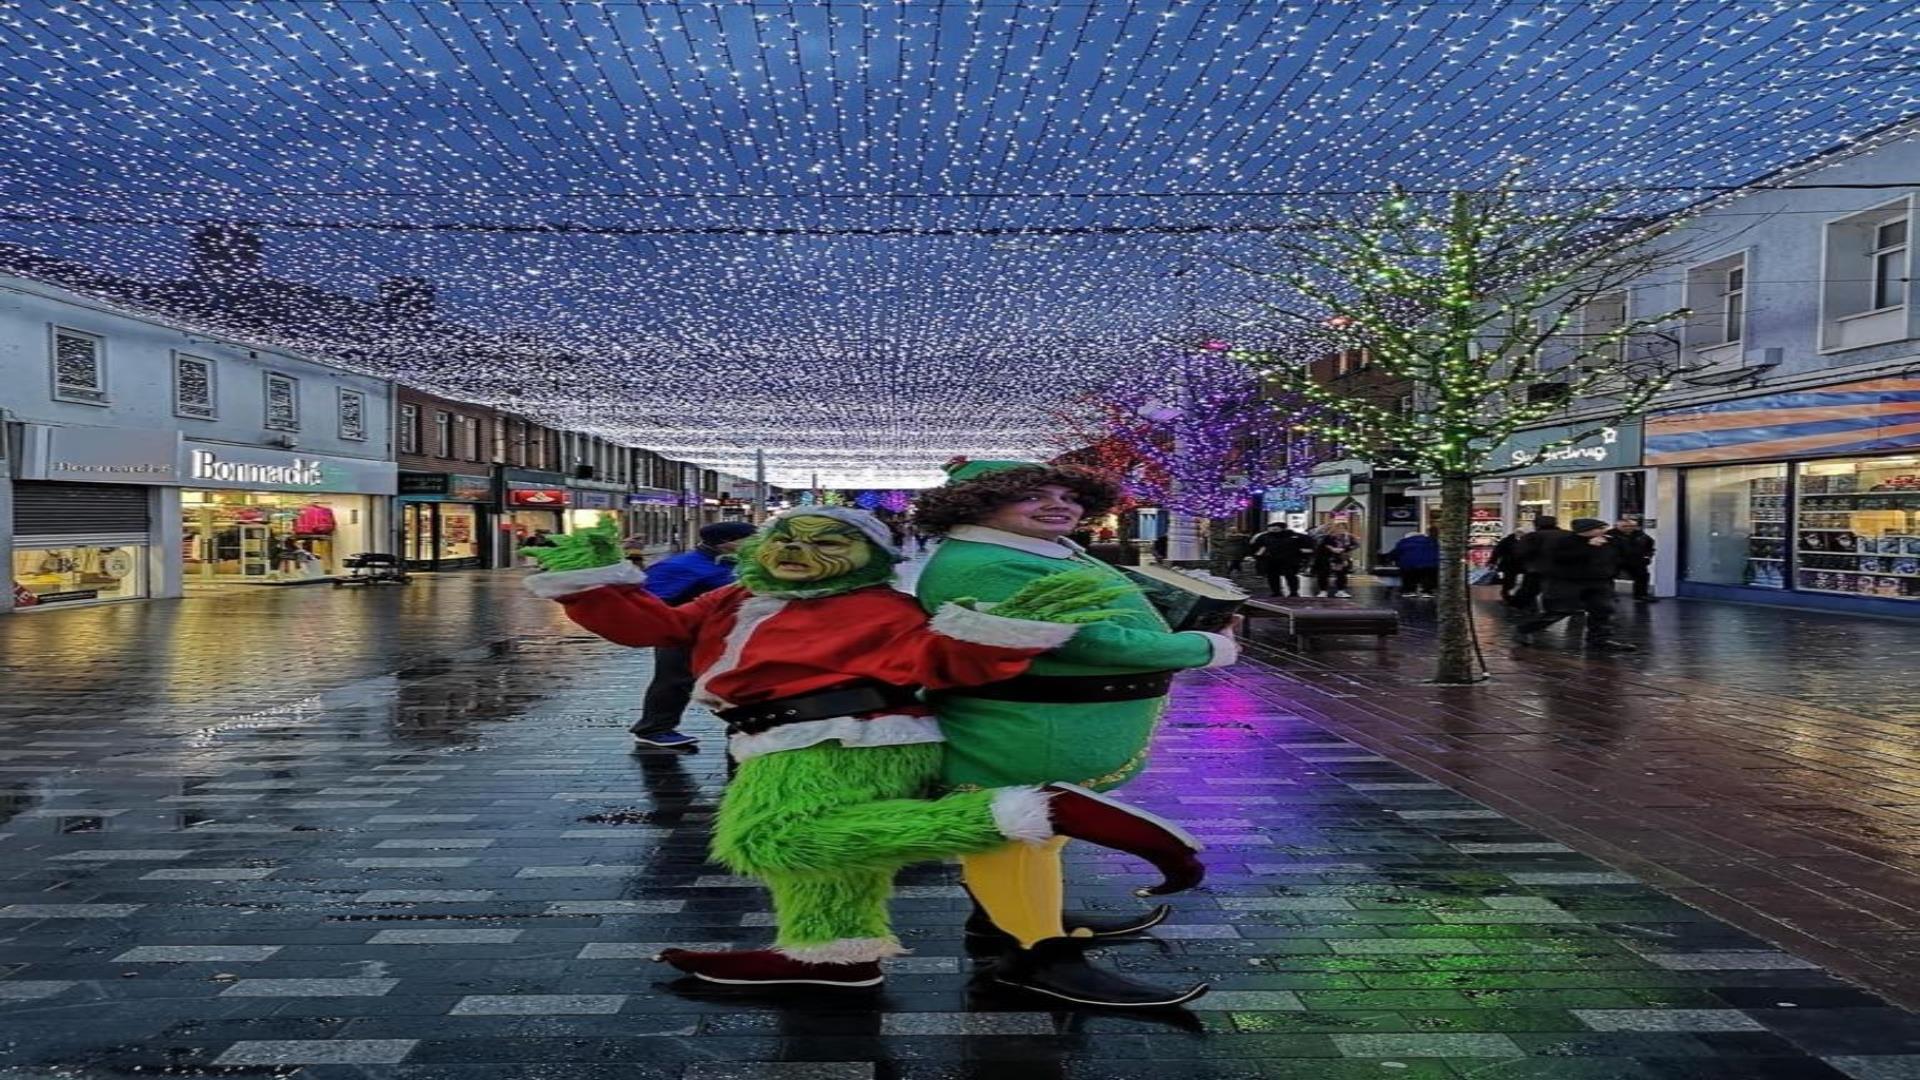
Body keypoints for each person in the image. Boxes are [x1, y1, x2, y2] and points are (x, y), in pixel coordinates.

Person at [523, 510, 1196, 993]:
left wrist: (998, 633)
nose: (798, 550)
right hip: (767, 737)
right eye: (786, 538)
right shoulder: (738, 596)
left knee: (771, 838)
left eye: (827, 542)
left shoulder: (880, 606)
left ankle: (1032, 811)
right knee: (830, 864)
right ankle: (833, 954)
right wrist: (592, 580)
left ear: (868, 558)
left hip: (847, 739)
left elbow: (939, 659)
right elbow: (657, 626)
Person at [913, 459, 1239, 1008]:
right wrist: (1203, 647)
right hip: (1019, 736)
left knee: (1038, 833)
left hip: (1048, 730)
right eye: (1033, 495)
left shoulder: (1031, 549)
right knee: (1013, 833)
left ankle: (1007, 919)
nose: (1058, 505)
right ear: (976, 504)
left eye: (1068, 495)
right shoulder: (982, 563)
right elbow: (1083, 638)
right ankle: (1034, 956)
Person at [625, 520, 757, 750]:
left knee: (739, 681)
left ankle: (746, 727)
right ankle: (653, 730)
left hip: (726, 635)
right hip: (686, 635)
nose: (759, 544)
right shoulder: (683, 566)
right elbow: (645, 597)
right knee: (675, 681)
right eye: (752, 539)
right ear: (726, 543)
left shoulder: (735, 563)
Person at [1514, 518, 1637, 652]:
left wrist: (1615, 564)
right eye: (1600, 528)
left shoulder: (1610, 541)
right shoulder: (1565, 541)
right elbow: (1560, 558)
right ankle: (1524, 629)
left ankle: (1600, 640)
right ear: (1586, 530)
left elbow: (1626, 554)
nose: (1604, 531)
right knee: (1561, 611)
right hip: (1568, 581)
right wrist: (1590, 547)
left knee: (1602, 609)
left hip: (1599, 581)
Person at [1507, 515, 1565, 610]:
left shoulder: (1532, 536)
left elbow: (1520, 552)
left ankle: (1520, 608)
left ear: (1537, 525)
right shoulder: (1567, 535)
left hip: (1537, 569)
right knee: (1559, 591)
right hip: (1563, 569)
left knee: (1529, 590)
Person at [1249, 521, 1314, 598]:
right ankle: (1276, 592)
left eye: (1276, 528)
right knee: (1273, 576)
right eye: (1271, 528)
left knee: (1290, 576)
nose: (1273, 529)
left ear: (1283, 528)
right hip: (1271, 560)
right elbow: (1256, 546)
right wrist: (1259, 555)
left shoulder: (1295, 536)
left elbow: (1309, 546)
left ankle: (1293, 592)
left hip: (1290, 560)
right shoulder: (1264, 537)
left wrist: (1302, 555)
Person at [1608, 518, 1657, 603]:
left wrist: (1647, 556)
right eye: (1625, 526)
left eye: (1632, 526)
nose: (1629, 528)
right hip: (1615, 560)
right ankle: (1608, 595)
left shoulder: (1641, 535)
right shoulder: (1610, 535)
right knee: (1608, 577)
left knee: (1642, 576)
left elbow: (1650, 545)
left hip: (1636, 560)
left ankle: (1641, 595)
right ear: (1617, 526)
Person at [1312, 522, 1358, 598]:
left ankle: (1341, 591)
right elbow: (1323, 545)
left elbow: (1355, 545)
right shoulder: (1328, 537)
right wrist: (1333, 549)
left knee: (1341, 574)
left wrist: (1344, 549)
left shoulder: (1348, 537)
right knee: (1323, 574)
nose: (1340, 530)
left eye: (1343, 528)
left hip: (1340, 558)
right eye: (1338, 528)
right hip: (1326, 558)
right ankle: (1323, 591)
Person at [1389, 527, 1440, 597]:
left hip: (1409, 566)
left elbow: (1395, 553)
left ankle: (1409, 591)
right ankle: (1427, 591)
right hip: (1430, 565)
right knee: (1429, 575)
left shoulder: (1403, 542)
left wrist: (1391, 560)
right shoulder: (1431, 541)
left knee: (1409, 576)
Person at [1489, 527, 1526, 603]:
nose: (1521, 534)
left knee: (1516, 581)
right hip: (1509, 565)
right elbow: (1497, 551)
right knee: (1509, 581)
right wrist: (1492, 561)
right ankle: (1507, 596)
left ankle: (1512, 596)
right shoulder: (1507, 541)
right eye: (1519, 532)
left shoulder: (1525, 541)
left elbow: (1497, 551)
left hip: (1520, 565)